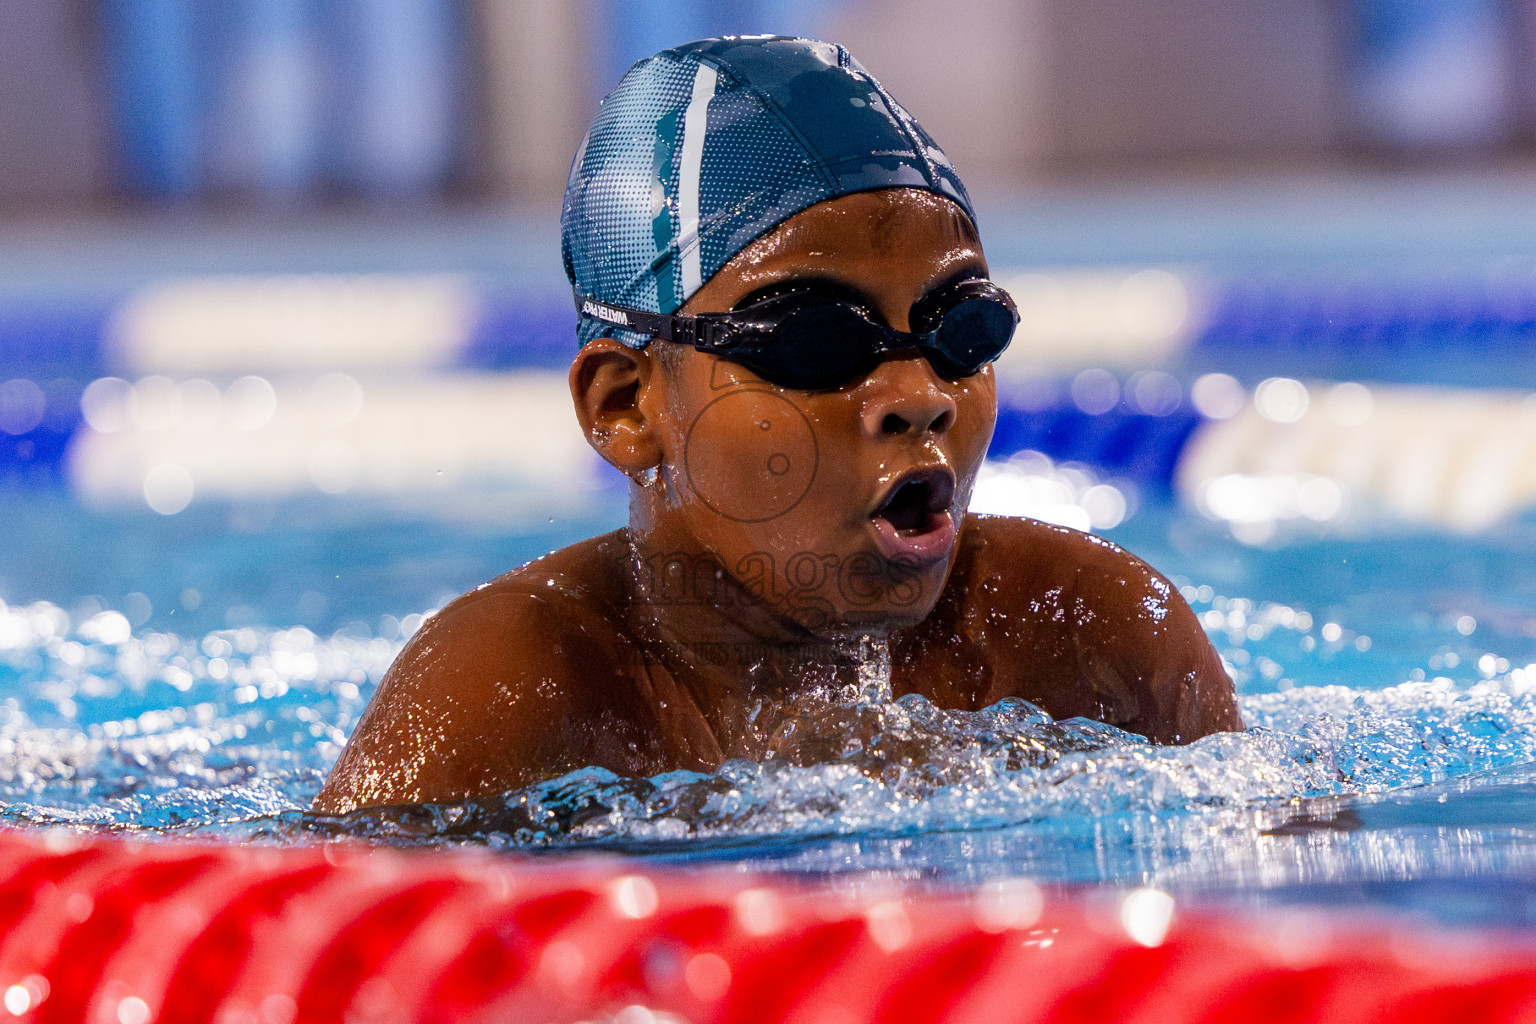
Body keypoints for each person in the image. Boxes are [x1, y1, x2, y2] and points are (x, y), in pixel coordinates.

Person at [314, 36, 1241, 815]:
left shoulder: (1085, 635)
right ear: (627, 405)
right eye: (812, 338)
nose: (919, 392)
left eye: (962, 327)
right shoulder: (511, 691)